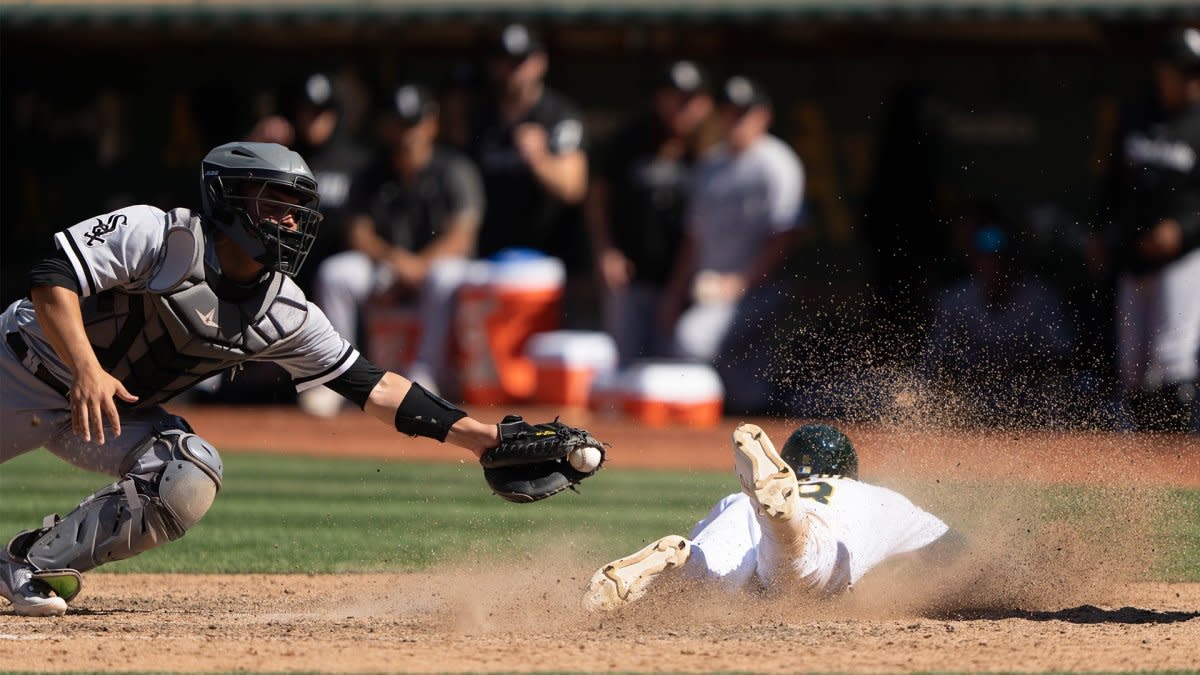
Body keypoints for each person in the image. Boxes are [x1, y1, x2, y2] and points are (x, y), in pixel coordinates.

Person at [0, 141, 600, 617]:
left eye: (297, 208)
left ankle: (30, 560)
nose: (289, 221)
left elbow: (371, 385)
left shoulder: (282, 310)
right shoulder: (161, 235)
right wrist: (85, 368)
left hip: (111, 414)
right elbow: (51, 274)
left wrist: (484, 438)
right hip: (22, 370)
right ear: (229, 200)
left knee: (189, 472)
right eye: (274, 203)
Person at [583, 423, 952, 611]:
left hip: (747, 506)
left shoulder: (733, 499)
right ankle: (785, 518)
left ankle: (681, 561)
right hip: (813, 527)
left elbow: (707, 537)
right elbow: (953, 550)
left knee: (712, 572)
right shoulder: (875, 497)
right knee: (797, 563)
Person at [307, 83, 485, 409]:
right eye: (399, 123)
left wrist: (417, 266)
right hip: (390, 266)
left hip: (437, 271)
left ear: (431, 124)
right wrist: (394, 260)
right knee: (337, 273)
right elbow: (358, 233)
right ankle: (338, 376)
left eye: (413, 123)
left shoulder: (454, 168)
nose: (407, 133)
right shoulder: (373, 172)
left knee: (444, 275)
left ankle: (426, 376)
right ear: (387, 126)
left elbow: (462, 237)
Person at [662, 76, 804, 413]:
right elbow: (693, 239)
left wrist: (740, 284)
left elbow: (785, 237)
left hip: (758, 290)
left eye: (744, 112)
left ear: (763, 115)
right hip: (712, 290)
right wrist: (674, 292)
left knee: (691, 340)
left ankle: (690, 427)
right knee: (746, 396)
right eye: (729, 112)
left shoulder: (777, 162)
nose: (736, 120)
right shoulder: (710, 165)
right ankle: (694, 449)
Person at [1097, 26, 1200, 433]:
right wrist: (1101, 228)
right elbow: (1112, 182)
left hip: (1184, 257)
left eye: (1195, 72)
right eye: (1183, 70)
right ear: (1163, 71)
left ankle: (1176, 461)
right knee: (1133, 369)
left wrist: (1185, 228)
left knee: (1173, 361)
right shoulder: (1137, 116)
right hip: (1134, 253)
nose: (1191, 80)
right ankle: (1142, 457)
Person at [585, 60, 714, 365]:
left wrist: (677, 289)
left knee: (673, 373)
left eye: (689, 100)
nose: (681, 108)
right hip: (631, 277)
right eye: (674, 97)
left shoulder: (712, 153)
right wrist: (606, 250)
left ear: (705, 103)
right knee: (626, 366)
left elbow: (699, 230)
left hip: (689, 284)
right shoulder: (631, 140)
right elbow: (598, 196)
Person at [922, 220, 1076, 427]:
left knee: (1069, 387)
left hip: (1028, 399)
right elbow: (935, 360)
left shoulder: (1040, 298)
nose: (994, 267)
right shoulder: (955, 299)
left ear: (1012, 262)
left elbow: (1063, 354)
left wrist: (1017, 366)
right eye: (986, 260)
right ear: (975, 262)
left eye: (1000, 259)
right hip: (972, 400)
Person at [469, 23, 588, 268]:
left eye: (520, 61)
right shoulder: (481, 115)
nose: (513, 71)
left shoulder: (559, 115)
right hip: (489, 254)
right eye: (505, 61)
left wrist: (540, 158)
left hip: (545, 255)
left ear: (540, 63)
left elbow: (573, 188)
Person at [247, 71, 371, 295]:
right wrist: (257, 145)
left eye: (321, 112)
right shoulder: (282, 157)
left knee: (339, 273)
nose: (313, 119)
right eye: (306, 111)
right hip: (286, 267)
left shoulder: (357, 162)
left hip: (336, 272)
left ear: (334, 114)